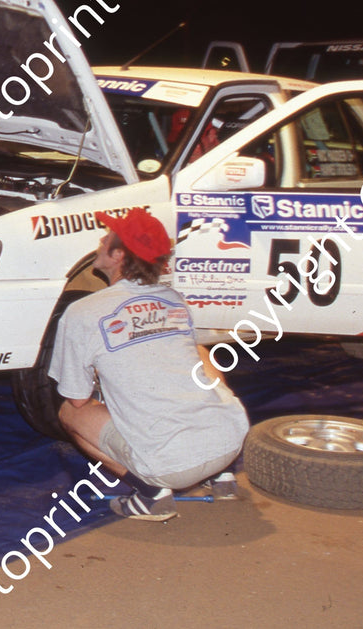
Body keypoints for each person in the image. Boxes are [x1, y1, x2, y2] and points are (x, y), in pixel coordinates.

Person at [49, 207, 248, 521]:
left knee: (70, 413)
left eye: (106, 239)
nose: (100, 242)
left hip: (171, 466)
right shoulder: (175, 299)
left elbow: (76, 398)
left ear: (118, 255)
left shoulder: (82, 312)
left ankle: (151, 495)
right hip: (229, 443)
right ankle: (222, 474)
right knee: (197, 351)